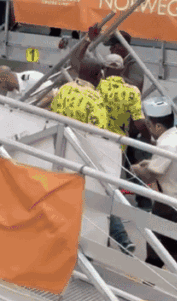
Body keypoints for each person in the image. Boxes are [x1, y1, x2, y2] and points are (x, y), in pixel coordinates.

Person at [50, 58, 135, 255]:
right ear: (98, 75)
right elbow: (101, 134)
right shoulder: (94, 99)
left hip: (62, 153)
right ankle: (115, 241)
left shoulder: (64, 89)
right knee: (98, 200)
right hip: (85, 158)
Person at [132, 97, 177, 282]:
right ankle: (146, 283)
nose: (148, 128)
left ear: (158, 126)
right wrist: (150, 163)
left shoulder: (166, 144)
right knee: (160, 249)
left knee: (175, 254)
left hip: (169, 206)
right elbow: (168, 165)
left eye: (149, 124)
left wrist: (136, 169)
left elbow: (151, 175)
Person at [98, 53, 152, 210]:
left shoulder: (96, 85)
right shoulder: (131, 91)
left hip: (94, 137)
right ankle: (110, 210)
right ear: (122, 70)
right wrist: (148, 140)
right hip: (118, 143)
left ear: (105, 68)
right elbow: (139, 122)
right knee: (113, 179)